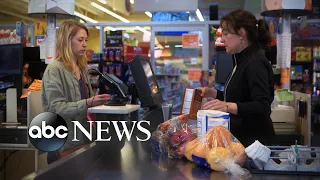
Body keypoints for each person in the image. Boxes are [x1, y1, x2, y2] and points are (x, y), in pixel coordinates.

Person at [198, 10, 275, 146]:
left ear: (241, 34)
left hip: (256, 146)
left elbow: (262, 106)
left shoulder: (254, 62)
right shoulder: (241, 60)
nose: (222, 39)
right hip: (243, 141)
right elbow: (241, 97)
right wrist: (214, 93)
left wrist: (227, 106)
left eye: (226, 34)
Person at [41, 20, 111, 164]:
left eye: (86, 40)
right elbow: (56, 109)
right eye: (80, 40)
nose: (85, 44)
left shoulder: (83, 69)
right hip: (65, 146)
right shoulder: (55, 70)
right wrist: (88, 103)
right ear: (67, 41)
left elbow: (87, 107)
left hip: (85, 141)